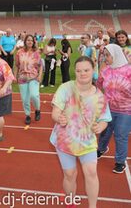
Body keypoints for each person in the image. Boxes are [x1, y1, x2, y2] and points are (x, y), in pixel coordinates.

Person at [50, 56, 111, 208]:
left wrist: (101, 127)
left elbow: (105, 119)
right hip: (65, 140)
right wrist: (60, 118)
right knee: (70, 174)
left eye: (86, 70)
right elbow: (55, 112)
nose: (82, 73)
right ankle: (71, 203)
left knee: (91, 172)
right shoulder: (65, 88)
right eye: (78, 71)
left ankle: (92, 206)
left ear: (93, 71)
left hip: (87, 141)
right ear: (75, 72)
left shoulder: (100, 96)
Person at [97, 44, 131, 174]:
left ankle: (120, 161)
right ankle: (101, 149)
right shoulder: (106, 70)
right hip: (109, 109)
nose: (105, 58)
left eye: (107, 55)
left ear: (116, 55)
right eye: (104, 55)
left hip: (126, 110)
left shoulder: (129, 70)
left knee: (120, 135)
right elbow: (99, 84)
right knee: (105, 132)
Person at [15, 34, 43, 125]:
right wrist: (15, 76)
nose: (30, 42)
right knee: (25, 99)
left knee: (34, 95)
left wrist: (39, 76)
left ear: (34, 42)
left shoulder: (36, 53)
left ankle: (37, 110)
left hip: (33, 77)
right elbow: (17, 65)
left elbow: (40, 66)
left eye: (31, 40)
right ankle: (27, 115)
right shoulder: (19, 52)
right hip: (22, 78)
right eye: (28, 40)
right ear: (25, 41)